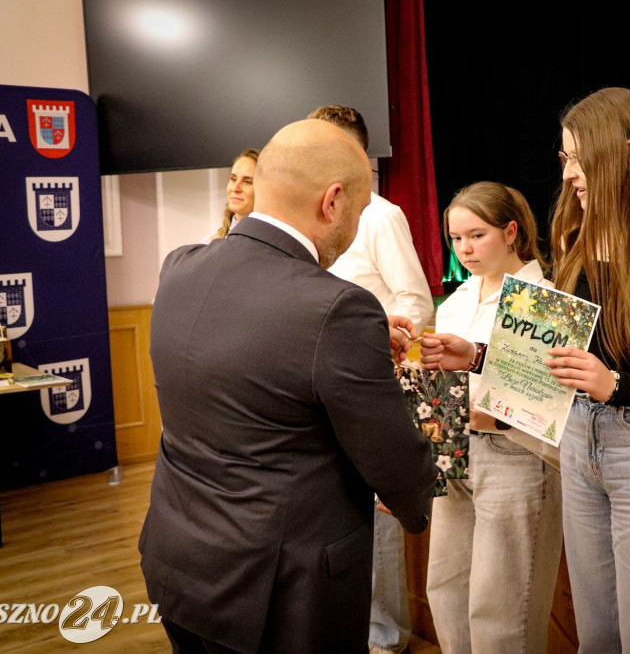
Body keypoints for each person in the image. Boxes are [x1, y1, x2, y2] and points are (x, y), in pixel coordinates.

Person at [422, 87, 630, 653]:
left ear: (627, 155)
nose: (571, 174)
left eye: (581, 159)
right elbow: (559, 358)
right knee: (597, 634)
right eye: (566, 159)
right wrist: (476, 356)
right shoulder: (576, 232)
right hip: (579, 442)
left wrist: (617, 384)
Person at [140, 118, 438, 654]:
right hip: (277, 592)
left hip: (176, 564)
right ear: (333, 202)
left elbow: (248, 376)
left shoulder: (179, 267)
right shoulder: (337, 308)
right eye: (361, 210)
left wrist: (361, 348)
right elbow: (394, 460)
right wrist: (415, 500)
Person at [308, 104, 434, 654]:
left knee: (378, 518)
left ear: (357, 154)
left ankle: (384, 636)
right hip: (313, 385)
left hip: (367, 381)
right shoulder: (309, 216)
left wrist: (367, 341)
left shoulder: (380, 215)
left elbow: (415, 300)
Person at [421, 181, 563, 654]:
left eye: (476, 235)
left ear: (510, 231)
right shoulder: (458, 300)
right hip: (454, 451)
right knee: (446, 584)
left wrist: (494, 415)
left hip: (514, 455)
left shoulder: (543, 298)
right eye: (456, 237)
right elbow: (441, 381)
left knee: (502, 604)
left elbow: (549, 397)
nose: (464, 248)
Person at [204, 148, 259, 242]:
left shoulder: (277, 246)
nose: (235, 188)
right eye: (233, 179)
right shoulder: (208, 244)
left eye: (247, 182)